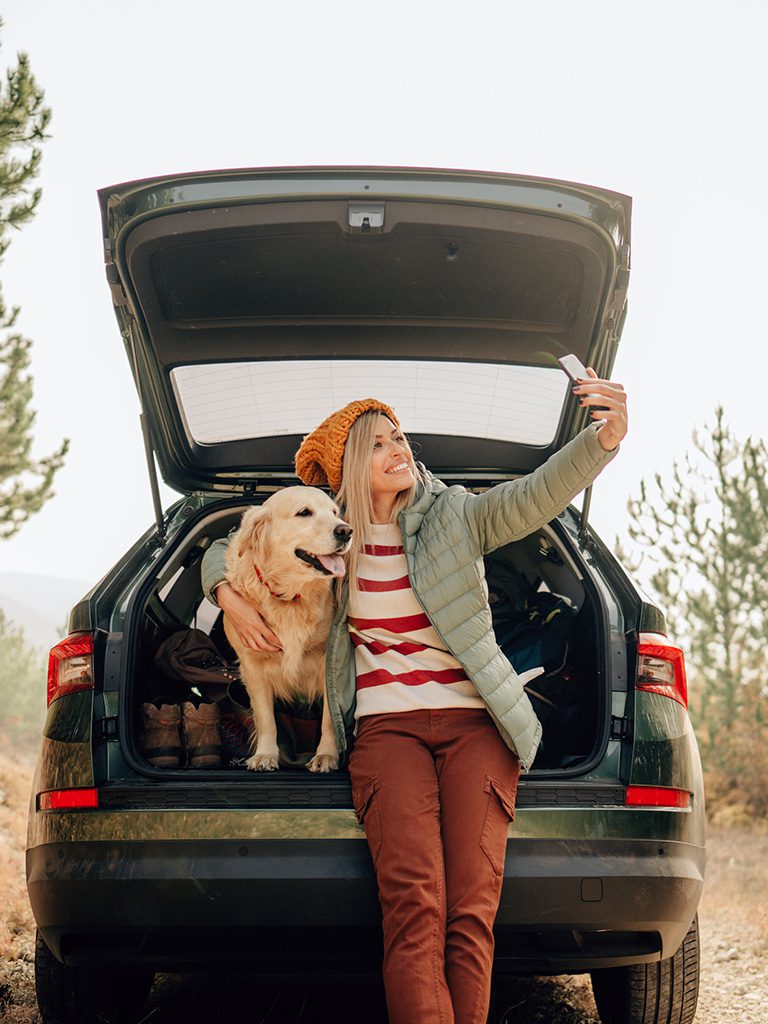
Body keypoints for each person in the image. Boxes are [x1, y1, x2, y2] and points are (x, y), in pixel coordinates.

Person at [201, 370, 627, 1024]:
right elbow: (233, 547)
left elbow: (535, 495)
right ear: (348, 464)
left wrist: (604, 440)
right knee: (415, 907)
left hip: (476, 726)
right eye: (376, 443)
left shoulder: (456, 514)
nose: (398, 448)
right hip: (386, 731)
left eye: (399, 436)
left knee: (470, 911)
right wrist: (224, 592)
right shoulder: (327, 545)